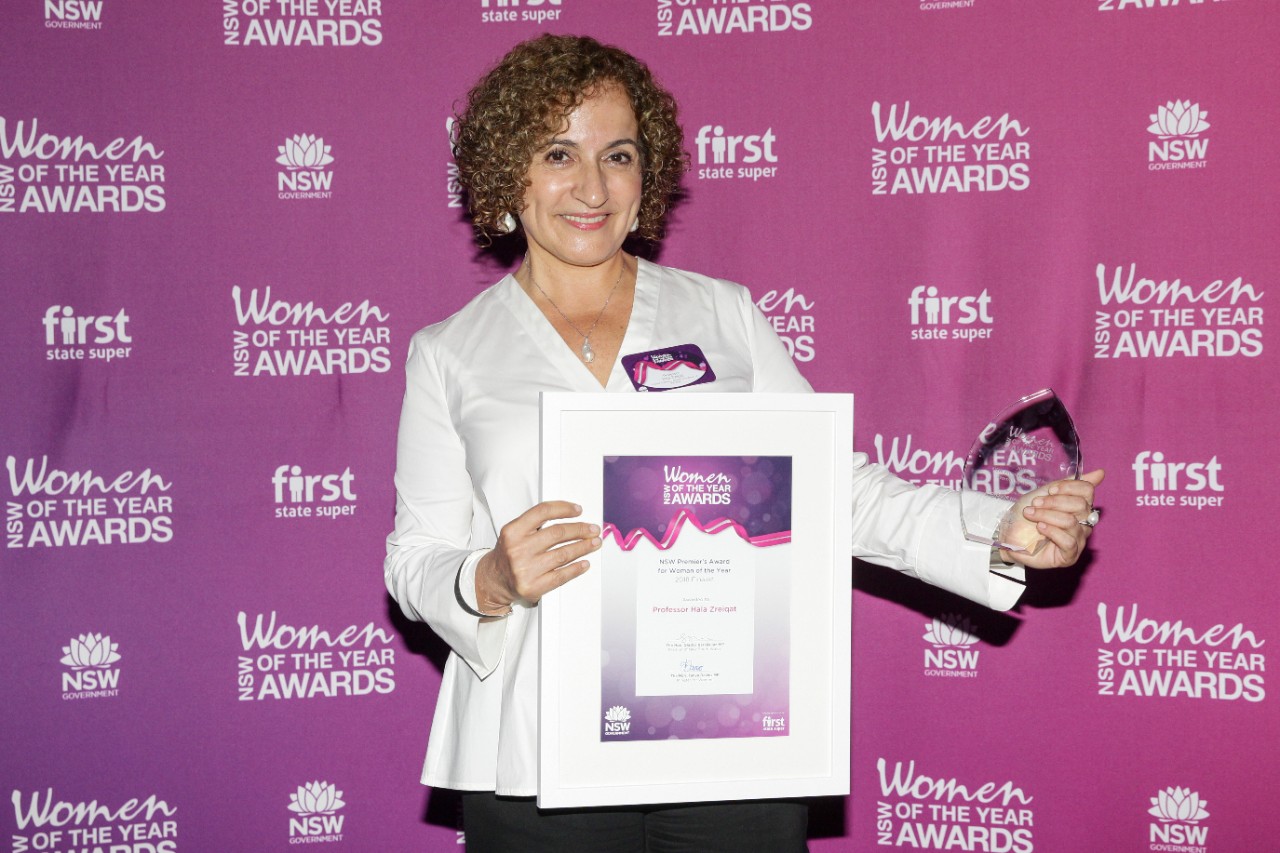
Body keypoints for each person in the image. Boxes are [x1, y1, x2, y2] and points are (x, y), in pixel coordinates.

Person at [385, 34, 1104, 853]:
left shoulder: (723, 316)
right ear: (508, 169)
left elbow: (836, 490)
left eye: (618, 155)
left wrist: (998, 530)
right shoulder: (449, 353)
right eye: (559, 153)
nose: (591, 186)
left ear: (644, 173)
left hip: (729, 733)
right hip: (534, 746)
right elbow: (417, 557)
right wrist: (490, 575)